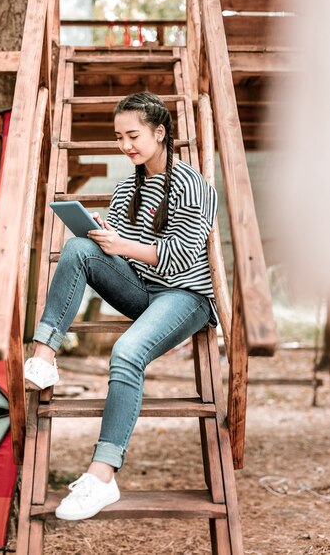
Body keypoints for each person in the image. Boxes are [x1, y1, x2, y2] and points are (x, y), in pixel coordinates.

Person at [24, 91, 218, 521]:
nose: (125, 145)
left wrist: (124, 244)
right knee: (77, 248)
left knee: (126, 353)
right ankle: (44, 352)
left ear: (159, 132)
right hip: (142, 290)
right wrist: (105, 235)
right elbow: (127, 252)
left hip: (184, 296)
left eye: (133, 135)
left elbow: (184, 254)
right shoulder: (128, 184)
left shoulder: (193, 184)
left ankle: (103, 476)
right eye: (118, 137)